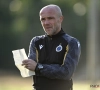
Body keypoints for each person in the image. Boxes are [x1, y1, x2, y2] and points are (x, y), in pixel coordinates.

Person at [22, 4, 81, 90]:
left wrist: (38, 67)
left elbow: (67, 73)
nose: (46, 23)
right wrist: (24, 64)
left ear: (60, 19)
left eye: (50, 18)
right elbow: (31, 69)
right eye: (43, 19)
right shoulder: (36, 41)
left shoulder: (71, 42)